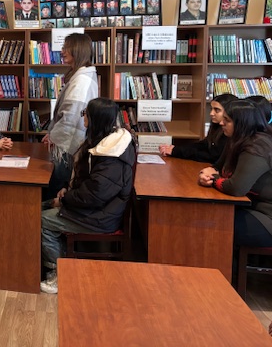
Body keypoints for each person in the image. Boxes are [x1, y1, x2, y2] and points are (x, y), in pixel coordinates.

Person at [40, 97, 137, 293]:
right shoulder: (103, 140)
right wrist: (67, 190)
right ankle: (59, 259)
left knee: (41, 220)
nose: (83, 117)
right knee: (39, 205)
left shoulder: (112, 155)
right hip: (93, 208)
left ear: (95, 119)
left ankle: (59, 273)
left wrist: (65, 200)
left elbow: (94, 194)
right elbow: (85, 177)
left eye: (86, 114)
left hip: (100, 216)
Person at [198, 100, 272, 248]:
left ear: (242, 124)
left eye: (227, 120)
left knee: (208, 224)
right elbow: (220, 168)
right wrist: (213, 174)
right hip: (257, 209)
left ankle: (221, 263)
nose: (221, 123)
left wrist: (213, 179)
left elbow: (237, 188)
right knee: (204, 216)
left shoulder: (258, 146)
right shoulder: (242, 140)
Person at [42, 33, 98, 201]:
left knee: (55, 188)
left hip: (67, 147)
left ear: (77, 50)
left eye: (66, 48)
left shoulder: (81, 80)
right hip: (69, 144)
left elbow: (71, 118)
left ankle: (47, 216)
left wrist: (53, 136)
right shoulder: (82, 75)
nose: (62, 51)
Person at [159, 93, 237, 162]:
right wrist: (176, 149)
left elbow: (211, 156)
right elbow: (203, 145)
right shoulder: (216, 127)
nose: (211, 113)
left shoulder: (230, 132)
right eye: (211, 109)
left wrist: (176, 152)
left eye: (217, 110)